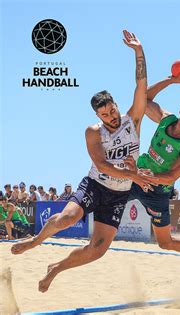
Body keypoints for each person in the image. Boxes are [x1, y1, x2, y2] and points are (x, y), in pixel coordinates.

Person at [10, 30, 154, 293]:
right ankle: (35, 241)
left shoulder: (132, 121)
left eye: (112, 110)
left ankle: (55, 269)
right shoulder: (93, 131)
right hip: (96, 185)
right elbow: (102, 166)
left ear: (116, 105)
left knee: (97, 250)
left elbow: (141, 86)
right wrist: (134, 176)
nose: (111, 116)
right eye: (105, 114)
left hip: (118, 195)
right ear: (97, 115)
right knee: (67, 218)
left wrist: (138, 51)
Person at [127, 71, 180, 272]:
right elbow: (144, 98)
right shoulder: (165, 119)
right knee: (107, 197)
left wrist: (147, 177)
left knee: (164, 243)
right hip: (137, 175)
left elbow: (172, 177)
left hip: (158, 190)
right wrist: (171, 80)